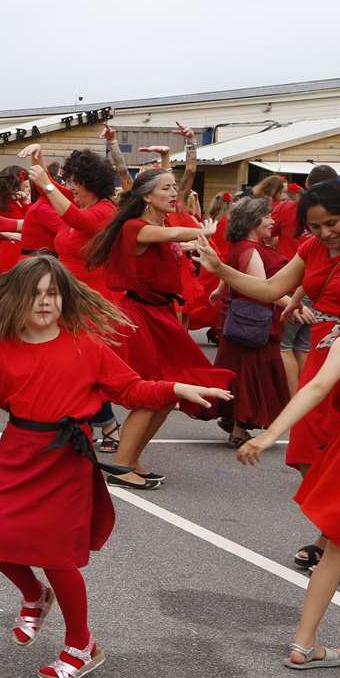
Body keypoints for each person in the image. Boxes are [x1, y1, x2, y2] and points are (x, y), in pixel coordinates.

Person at [0, 257, 231, 678]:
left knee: (56, 557)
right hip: (19, 452)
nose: (45, 302)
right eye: (36, 294)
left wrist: (177, 388)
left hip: (66, 459)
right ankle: (34, 596)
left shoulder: (85, 345)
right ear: (17, 299)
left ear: (63, 297)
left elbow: (131, 388)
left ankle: (82, 644)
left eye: (52, 293)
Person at [195, 180, 340, 579]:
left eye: (332, 223)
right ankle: (336, 535)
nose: (325, 233)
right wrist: (220, 268)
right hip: (323, 349)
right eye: (315, 226)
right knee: (308, 449)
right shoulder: (313, 247)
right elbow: (270, 288)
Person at [237, 246, 340, 668]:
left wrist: (272, 432)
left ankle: (304, 644)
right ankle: (304, 645)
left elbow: (316, 388)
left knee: (339, 550)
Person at [82, 168, 230, 489]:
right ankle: (121, 464)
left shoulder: (159, 226)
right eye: (167, 187)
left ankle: (131, 457)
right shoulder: (137, 227)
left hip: (160, 313)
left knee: (168, 391)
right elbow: (176, 236)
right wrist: (203, 231)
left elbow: (175, 243)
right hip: (141, 315)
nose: (174, 192)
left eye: (175, 187)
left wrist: (195, 245)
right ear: (147, 196)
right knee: (151, 391)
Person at [21, 146, 123, 450]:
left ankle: (105, 423)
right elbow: (55, 191)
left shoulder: (105, 210)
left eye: (75, 182)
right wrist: (38, 161)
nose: (71, 187)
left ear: (89, 183)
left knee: (81, 364)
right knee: (64, 361)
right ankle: (85, 422)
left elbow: (77, 218)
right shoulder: (80, 201)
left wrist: (49, 183)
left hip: (92, 301)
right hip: (68, 297)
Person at [209, 197, 291, 445]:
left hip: (244, 319)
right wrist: (292, 304)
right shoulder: (250, 249)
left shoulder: (242, 247)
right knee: (254, 373)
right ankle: (239, 428)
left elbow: (229, 272)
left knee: (242, 372)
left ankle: (235, 420)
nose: (271, 221)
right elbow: (262, 287)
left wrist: (219, 288)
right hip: (254, 322)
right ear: (253, 221)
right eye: (266, 217)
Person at [272, 166, 339, 393]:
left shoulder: (288, 209)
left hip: (293, 281)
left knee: (286, 345)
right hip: (310, 287)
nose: (325, 232)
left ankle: (295, 400)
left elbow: (270, 234)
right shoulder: (338, 223)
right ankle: (305, 396)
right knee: (303, 346)